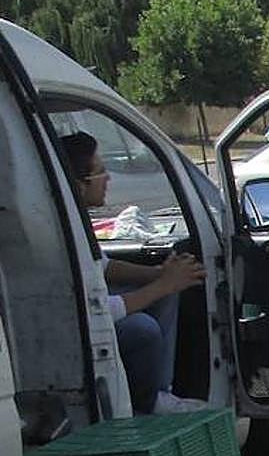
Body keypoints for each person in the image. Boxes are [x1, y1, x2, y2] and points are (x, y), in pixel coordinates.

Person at [62, 131, 206, 414]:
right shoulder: (60, 232)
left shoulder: (74, 219)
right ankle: (148, 403)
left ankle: (162, 392)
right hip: (74, 331)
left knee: (167, 294)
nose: (108, 179)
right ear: (79, 184)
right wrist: (163, 284)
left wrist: (159, 273)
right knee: (143, 329)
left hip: (91, 313)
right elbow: (102, 311)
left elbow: (102, 267)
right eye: (101, 172)